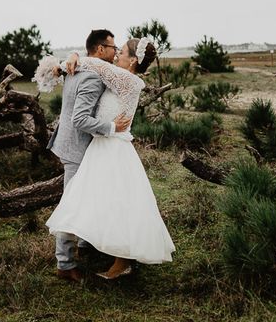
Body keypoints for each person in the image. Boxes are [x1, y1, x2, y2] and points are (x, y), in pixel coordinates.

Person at [40, 37, 175, 280]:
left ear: (133, 60)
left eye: (122, 51)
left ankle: (122, 260)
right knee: (103, 201)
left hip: (113, 147)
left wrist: (73, 57)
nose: (117, 55)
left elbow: (96, 65)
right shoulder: (117, 77)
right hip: (101, 146)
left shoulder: (131, 80)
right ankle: (97, 251)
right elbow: (93, 68)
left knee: (118, 203)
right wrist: (71, 57)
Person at [39, 29, 132, 283]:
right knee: (72, 203)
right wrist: (113, 128)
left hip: (72, 145)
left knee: (88, 198)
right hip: (77, 147)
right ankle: (65, 264)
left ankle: (87, 245)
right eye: (113, 48)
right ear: (100, 50)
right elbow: (80, 119)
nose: (115, 53)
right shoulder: (91, 75)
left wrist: (73, 55)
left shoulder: (79, 65)